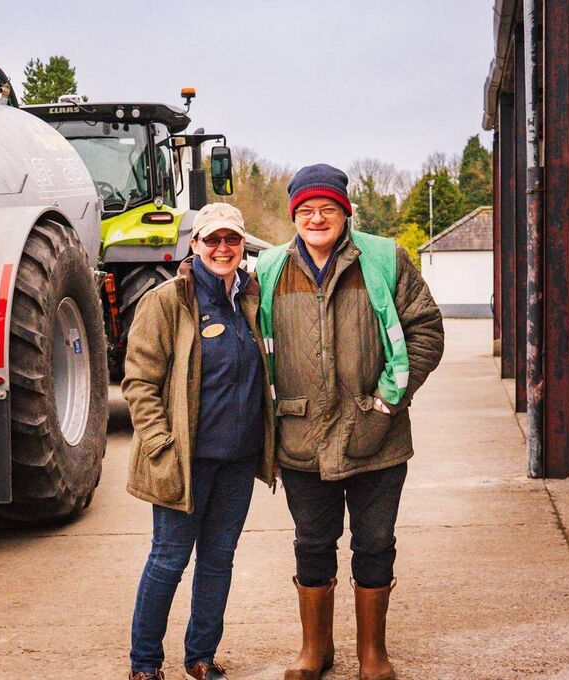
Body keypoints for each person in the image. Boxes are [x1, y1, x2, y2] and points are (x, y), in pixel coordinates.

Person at [253, 165, 444, 680]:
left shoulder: (383, 259)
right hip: (301, 438)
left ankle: (372, 655)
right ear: (294, 215)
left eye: (328, 209)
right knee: (312, 544)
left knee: (375, 542)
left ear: (345, 213)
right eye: (307, 210)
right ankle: (315, 650)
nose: (317, 218)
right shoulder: (268, 270)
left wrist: (386, 404)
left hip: (375, 435)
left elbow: (425, 329)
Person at [122, 203, 276, 680]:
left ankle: (201, 657)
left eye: (231, 240)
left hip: (237, 460)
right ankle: (144, 664)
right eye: (212, 240)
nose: (222, 248)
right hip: (185, 459)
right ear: (194, 245)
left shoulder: (251, 299)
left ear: (242, 245)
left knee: (218, 561)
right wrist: (160, 443)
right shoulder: (167, 301)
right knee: (168, 560)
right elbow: (139, 382)